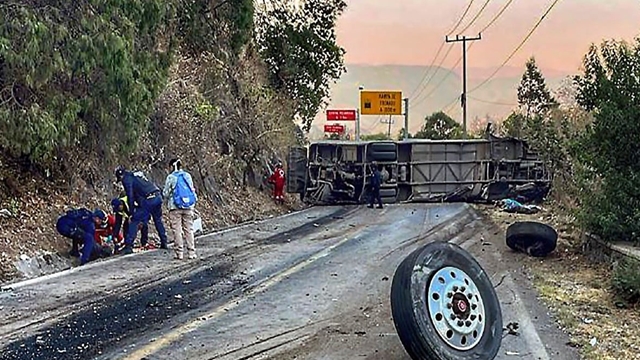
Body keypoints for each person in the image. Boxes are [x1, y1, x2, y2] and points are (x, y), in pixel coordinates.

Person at [114, 165, 168, 254]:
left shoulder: (127, 179)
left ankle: (128, 246)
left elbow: (130, 196)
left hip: (149, 199)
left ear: (120, 176)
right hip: (157, 196)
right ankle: (164, 242)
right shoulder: (137, 176)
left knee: (135, 219)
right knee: (158, 220)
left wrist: (131, 212)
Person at [162, 158, 198, 260]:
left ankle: (180, 253)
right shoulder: (187, 176)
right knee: (189, 229)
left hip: (175, 207)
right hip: (188, 206)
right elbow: (192, 189)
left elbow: (165, 193)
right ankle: (191, 252)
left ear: (171, 166)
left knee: (177, 229)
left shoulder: (171, 177)